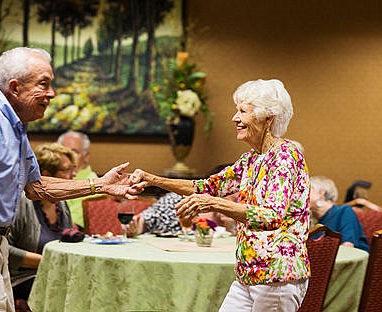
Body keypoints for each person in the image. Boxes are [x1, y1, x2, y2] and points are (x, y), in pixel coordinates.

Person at [0, 47, 138, 311]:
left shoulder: (14, 126)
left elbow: (37, 187)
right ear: (15, 87)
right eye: (44, 84)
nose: (51, 93)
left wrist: (101, 185)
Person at [131, 79, 310, 312]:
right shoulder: (251, 159)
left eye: (243, 112)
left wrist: (213, 203)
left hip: (277, 274)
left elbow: (271, 216)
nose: (235, 118)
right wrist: (153, 180)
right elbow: (204, 187)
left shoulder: (286, 156)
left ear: (268, 118)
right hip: (249, 272)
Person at [8, 143, 78, 310]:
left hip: (56, 274)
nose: (74, 174)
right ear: (46, 175)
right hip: (22, 278)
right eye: (67, 170)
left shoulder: (61, 203)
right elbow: (4, 250)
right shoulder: (20, 203)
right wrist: (49, 262)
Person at [309, 176, 369, 252]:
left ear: (322, 193)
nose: (302, 195)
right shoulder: (314, 222)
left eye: (308, 190)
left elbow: (348, 247)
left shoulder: (344, 211)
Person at [57, 130, 99, 230]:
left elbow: (73, 226)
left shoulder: (94, 184)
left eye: (74, 151)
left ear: (86, 156)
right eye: (64, 151)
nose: (68, 156)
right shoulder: (51, 179)